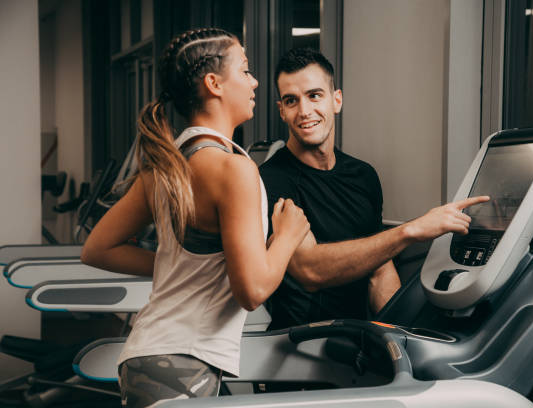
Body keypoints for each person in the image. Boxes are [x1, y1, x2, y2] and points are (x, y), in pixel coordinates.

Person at [80, 28, 309, 407]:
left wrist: (178, 268)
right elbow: (251, 291)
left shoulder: (166, 166)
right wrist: (287, 236)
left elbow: (97, 249)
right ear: (214, 83)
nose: (254, 82)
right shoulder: (232, 169)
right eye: (245, 70)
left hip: (144, 354)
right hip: (182, 361)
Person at [260, 47, 488, 330]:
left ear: (336, 100)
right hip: (298, 344)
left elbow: (379, 272)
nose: (305, 111)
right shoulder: (271, 180)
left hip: (355, 344)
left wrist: (403, 339)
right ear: (281, 110)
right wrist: (409, 231)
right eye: (291, 101)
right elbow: (309, 269)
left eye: (314, 95)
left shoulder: (363, 176)